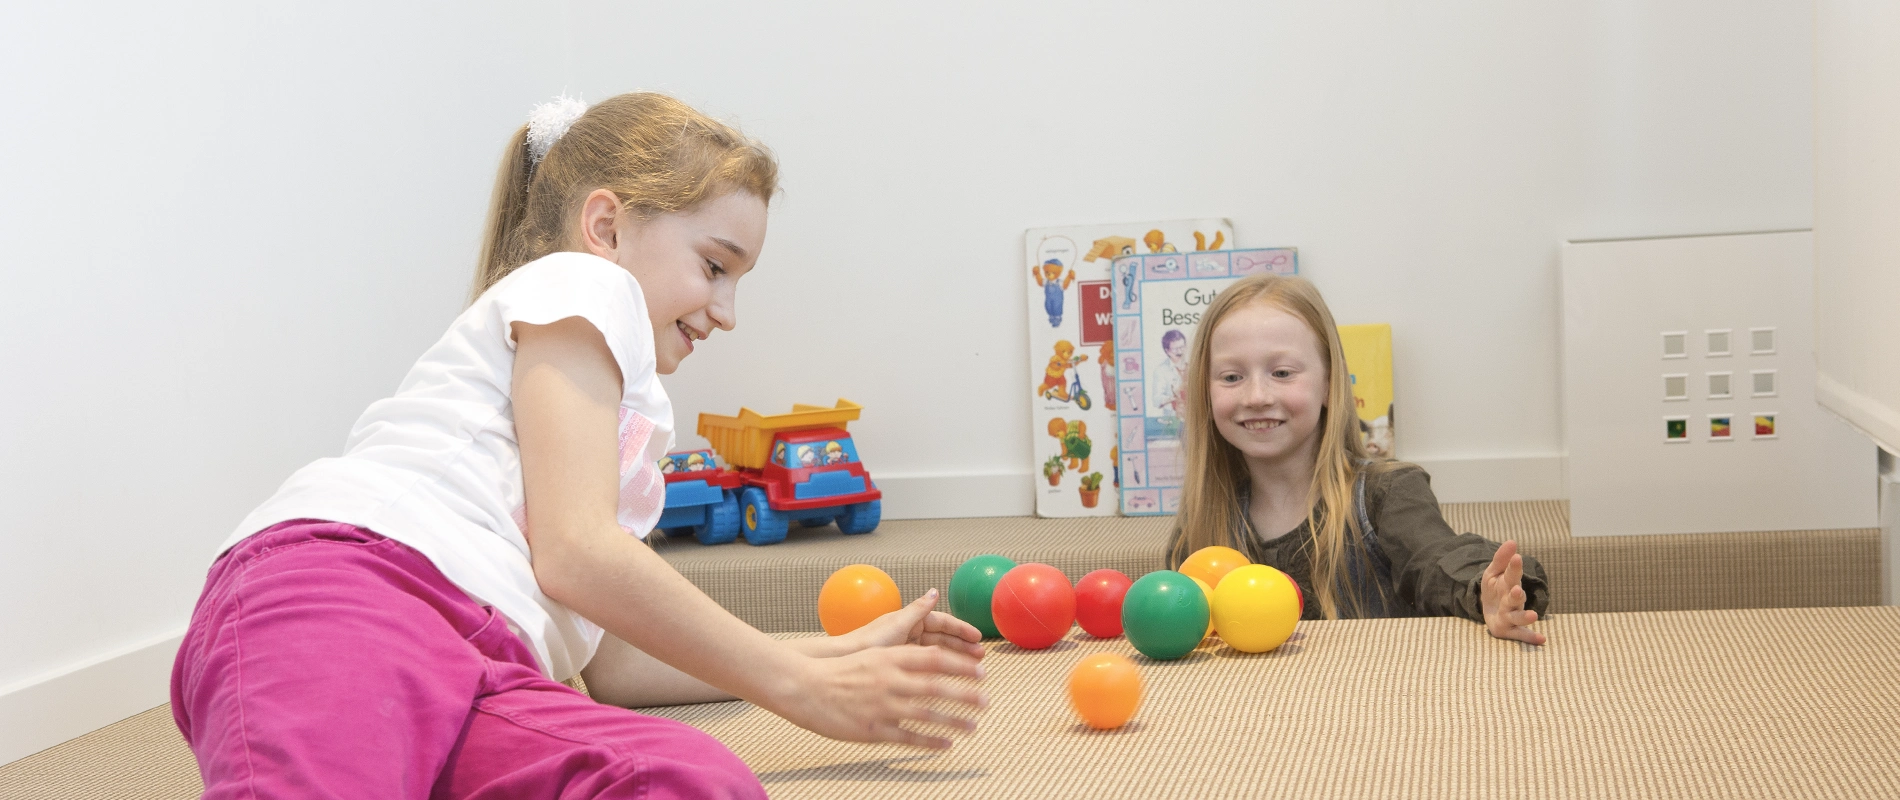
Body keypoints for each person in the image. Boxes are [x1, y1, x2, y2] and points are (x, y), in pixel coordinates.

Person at [169, 93, 987, 799]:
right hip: (354, 594)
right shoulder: (582, 284)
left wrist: (831, 650)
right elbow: (576, 554)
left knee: (697, 782)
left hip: (491, 668)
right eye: (714, 266)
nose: (727, 311)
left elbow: (614, 666)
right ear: (604, 226)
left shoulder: (630, 418)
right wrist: (801, 685)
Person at [1163, 274, 1548, 643]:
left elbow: (1436, 559)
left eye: (1281, 372)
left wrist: (1485, 589)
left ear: (1331, 384)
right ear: (1205, 392)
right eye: (1232, 377)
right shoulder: (1205, 515)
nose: (1256, 396)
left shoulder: (1388, 493)